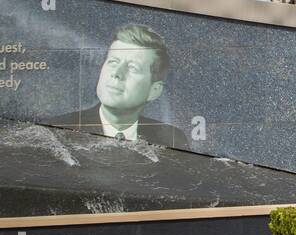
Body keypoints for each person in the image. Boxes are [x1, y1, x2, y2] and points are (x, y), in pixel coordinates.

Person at [47, 23, 190, 151]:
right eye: (113, 62)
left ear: (154, 90)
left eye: (133, 68)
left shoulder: (173, 140)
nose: (116, 73)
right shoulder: (56, 131)